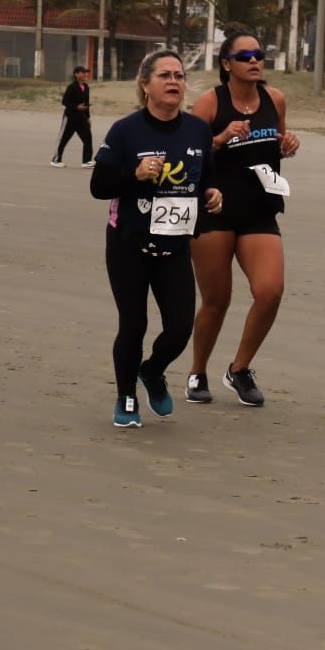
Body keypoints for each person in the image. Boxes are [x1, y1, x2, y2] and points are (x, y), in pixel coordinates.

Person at [90, 50, 222, 428]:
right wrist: (135, 175)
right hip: (128, 243)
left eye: (179, 75)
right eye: (164, 75)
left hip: (175, 244)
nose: (174, 82)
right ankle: (127, 395)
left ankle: (152, 371)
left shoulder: (198, 129)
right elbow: (99, 186)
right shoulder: (126, 130)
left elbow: (205, 177)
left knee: (180, 327)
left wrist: (212, 194)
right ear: (145, 85)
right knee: (133, 324)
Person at [184, 32, 299, 408]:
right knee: (216, 300)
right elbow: (186, 154)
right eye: (245, 55)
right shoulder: (210, 103)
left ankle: (239, 369)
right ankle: (197, 371)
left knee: (270, 292)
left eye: (259, 55)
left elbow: (277, 142)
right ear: (226, 64)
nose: (254, 61)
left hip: (259, 209)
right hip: (215, 209)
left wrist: (288, 144)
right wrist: (219, 138)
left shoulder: (274, 99)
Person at [52, 65, 94, 167]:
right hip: (70, 118)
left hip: (81, 118)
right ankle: (56, 160)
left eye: (85, 72)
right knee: (63, 139)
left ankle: (86, 161)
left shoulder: (86, 87)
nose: (85, 74)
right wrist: (76, 107)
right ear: (76, 75)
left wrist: (88, 117)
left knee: (88, 138)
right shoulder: (71, 87)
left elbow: (86, 103)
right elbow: (64, 101)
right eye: (82, 72)